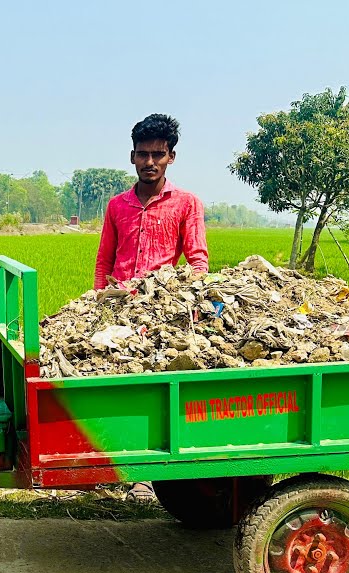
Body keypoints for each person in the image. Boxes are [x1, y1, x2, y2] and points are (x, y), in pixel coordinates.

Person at [94, 113, 208, 502]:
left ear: (171, 157)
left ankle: (146, 475)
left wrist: (187, 304)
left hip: (162, 312)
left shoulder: (187, 204)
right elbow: (103, 263)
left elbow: (197, 261)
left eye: (158, 155)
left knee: (154, 391)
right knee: (115, 388)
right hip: (119, 307)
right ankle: (113, 464)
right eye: (143, 154)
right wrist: (97, 305)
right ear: (131, 156)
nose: (149, 162)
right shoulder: (117, 206)